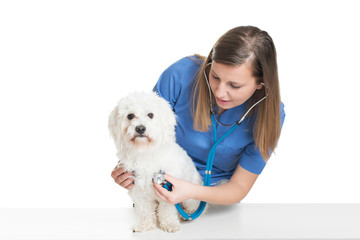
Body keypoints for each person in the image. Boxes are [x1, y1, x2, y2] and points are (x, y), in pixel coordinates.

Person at [111, 26, 285, 205]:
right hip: (159, 191)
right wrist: (129, 168)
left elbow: (239, 187)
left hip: (217, 199)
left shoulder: (270, 115)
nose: (220, 92)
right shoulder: (179, 75)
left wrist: (191, 191)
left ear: (261, 84)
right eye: (215, 76)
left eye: (234, 85)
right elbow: (144, 131)